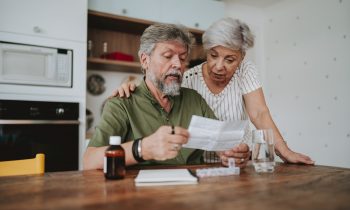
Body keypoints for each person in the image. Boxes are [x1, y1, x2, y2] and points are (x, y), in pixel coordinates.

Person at [111, 17, 315, 165]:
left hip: (237, 159)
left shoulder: (246, 70)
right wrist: (134, 86)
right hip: (200, 163)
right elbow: (160, 86)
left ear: (241, 57)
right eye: (213, 55)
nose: (219, 66)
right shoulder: (188, 79)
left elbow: (259, 113)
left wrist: (284, 151)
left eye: (230, 60)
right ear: (206, 50)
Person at [83, 23, 250, 170]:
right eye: (168, 56)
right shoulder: (122, 103)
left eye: (183, 58)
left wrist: (233, 154)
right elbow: (89, 161)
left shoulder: (194, 99)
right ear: (144, 60)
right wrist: (143, 148)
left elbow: (221, 144)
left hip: (193, 193)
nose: (178, 64)